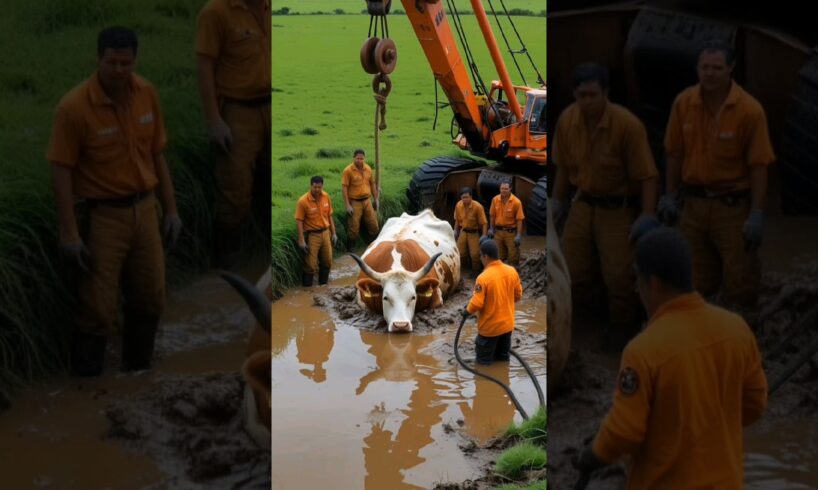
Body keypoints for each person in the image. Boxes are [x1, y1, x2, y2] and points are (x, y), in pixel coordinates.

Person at [575, 228, 768, 488]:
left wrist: (592, 455)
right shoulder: (737, 330)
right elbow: (756, 404)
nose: (636, 289)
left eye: (638, 280)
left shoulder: (643, 350)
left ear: (653, 283)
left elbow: (625, 431)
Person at [47, 26, 182, 376]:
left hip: (146, 210)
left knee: (151, 297)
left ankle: (138, 377)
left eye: (126, 63)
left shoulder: (147, 93)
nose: (119, 70)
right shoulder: (73, 108)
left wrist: (171, 210)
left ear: (135, 60)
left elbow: (158, 155)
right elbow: (60, 170)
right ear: (98, 59)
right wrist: (70, 234)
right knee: (97, 310)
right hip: (104, 217)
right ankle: (87, 391)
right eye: (112, 62)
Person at [551, 62, 659, 349]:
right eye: (581, 95)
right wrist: (557, 202)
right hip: (583, 203)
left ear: (606, 93)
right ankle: (585, 323)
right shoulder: (567, 121)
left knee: (620, 274)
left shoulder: (627, 126)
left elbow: (647, 176)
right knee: (571, 268)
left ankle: (622, 328)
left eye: (593, 95)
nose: (587, 101)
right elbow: (563, 167)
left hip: (617, 208)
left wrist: (647, 217)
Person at [660, 39, 775, 308]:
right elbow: (674, 153)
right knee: (693, 280)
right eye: (704, 67)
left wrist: (756, 214)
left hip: (732, 208)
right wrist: (670, 196)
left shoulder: (750, 110)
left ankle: (741, 336)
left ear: (731, 68)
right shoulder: (684, 103)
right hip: (693, 206)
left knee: (740, 280)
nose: (709, 73)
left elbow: (759, 164)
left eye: (717, 67)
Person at [196, 0, 271, 268]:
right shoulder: (217, 13)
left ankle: (266, 255)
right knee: (235, 190)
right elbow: (204, 66)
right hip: (238, 110)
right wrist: (214, 120)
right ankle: (229, 267)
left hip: (272, 104)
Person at [462, 239, 523, 365]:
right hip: (507, 327)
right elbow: (518, 295)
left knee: (483, 365)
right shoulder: (512, 271)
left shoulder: (483, 278)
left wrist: (467, 311)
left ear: (485, 256)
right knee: (502, 361)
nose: (480, 258)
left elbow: (477, 303)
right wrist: (503, 302)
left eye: (480, 255)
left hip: (489, 331)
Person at [294, 176, 337, 287]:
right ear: (311, 186)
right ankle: (307, 290)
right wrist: (301, 241)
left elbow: (330, 216)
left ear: (322, 186)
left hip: (326, 233)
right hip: (312, 235)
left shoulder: (326, 196)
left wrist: (334, 233)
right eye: (315, 187)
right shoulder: (303, 201)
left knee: (327, 261)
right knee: (311, 265)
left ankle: (323, 286)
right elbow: (299, 221)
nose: (317, 189)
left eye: (319, 187)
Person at [342, 149, 380, 251]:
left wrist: (376, 199)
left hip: (367, 201)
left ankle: (373, 246)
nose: (359, 160)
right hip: (354, 202)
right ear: (354, 158)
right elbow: (344, 188)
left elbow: (372, 184)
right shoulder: (348, 171)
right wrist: (347, 205)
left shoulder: (368, 168)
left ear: (364, 158)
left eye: (361, 159)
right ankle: (351, 249)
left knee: (374, 225)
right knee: (353, 228)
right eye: (358, 158)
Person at [487, 182, 525, 266]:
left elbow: (519, 219)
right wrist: (491, 228)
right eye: (502, 188)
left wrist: (518, 235)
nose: (503, 191)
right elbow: (492, 216)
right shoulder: (495, 200)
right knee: (498, 255)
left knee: (513, 256)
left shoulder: (516, 202)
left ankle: (513, 273)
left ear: (510, 189)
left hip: (510, 233)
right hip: (498, 232)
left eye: (506, 189)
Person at [453, 187, 488, 274]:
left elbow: (484, 223)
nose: (465, 199)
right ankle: (465, 268)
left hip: (474, 232)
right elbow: (457, 220)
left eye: (467, 197)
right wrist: (455, 231)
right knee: (459, 252)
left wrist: (484, 235)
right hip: (463, 231)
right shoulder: (458, 205)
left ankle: (476, 270)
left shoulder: (478, 207)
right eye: (463, 197)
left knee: (475, 254)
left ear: (471, 197)